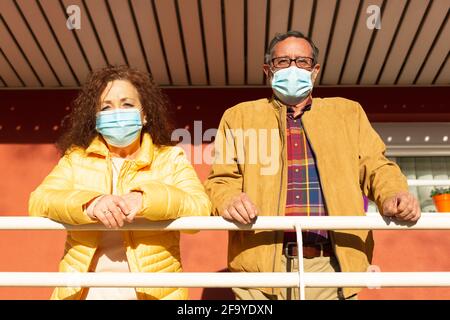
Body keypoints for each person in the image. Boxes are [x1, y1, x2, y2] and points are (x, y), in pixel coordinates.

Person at [204, 31, 421, 300]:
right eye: (282, 61)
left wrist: (393, 194)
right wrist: (228, 199)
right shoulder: (239, 116)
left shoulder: (348, 113)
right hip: (259, 267)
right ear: (268, 70)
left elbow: (376, 166)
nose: (293, 68)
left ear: (315, 71)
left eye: (302, 62)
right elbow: (221, 179)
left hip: (332, 268)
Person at [29, 65, 211, 300]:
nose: (117, 113)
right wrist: (91, 204)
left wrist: (145, 199)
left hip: (153, 294)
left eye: (127, 104)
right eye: (106, 107)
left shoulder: (170, 158)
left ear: (144, 114)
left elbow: (200, 208)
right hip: (84, 294)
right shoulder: (76, 158)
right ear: (95, 119)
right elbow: (39, 200)